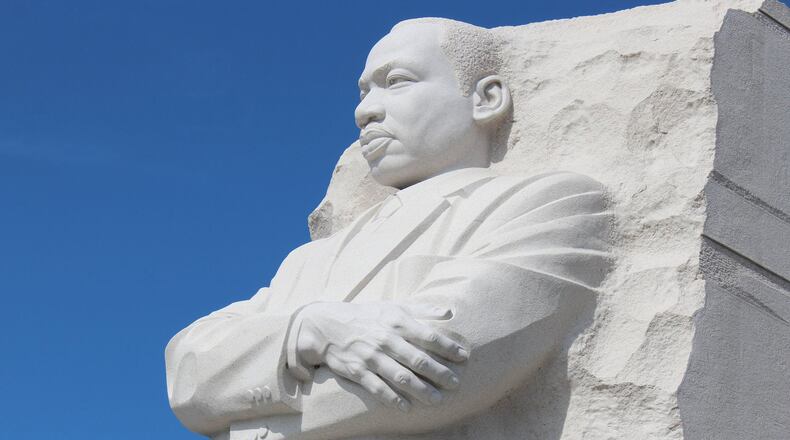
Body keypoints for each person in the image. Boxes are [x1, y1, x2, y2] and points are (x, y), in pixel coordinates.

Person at [166, 18, 612, 440]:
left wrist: (241, 417)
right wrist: (306, 330)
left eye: (397, 81)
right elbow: (186, 371)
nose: (365, 111)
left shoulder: (550, 203)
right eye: (363, 93)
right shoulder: (307, 261)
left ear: (486, 98)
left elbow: (437, 366)